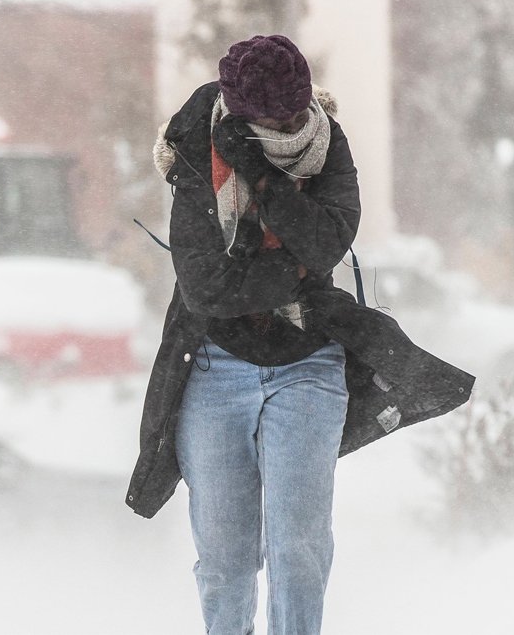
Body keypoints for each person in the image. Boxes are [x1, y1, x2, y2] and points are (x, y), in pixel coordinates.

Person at [126, 35, 475, 635]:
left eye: (297, 111)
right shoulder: (196, 148)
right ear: (242, 115)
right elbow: (207, 290)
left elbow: (326, 242)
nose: (292, 126)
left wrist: (262, 175)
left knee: (298, 549)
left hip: (309, 363)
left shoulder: (325, 142)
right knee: (226, 560)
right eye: (276, 120)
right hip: (213, 365)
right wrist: (297, 274)